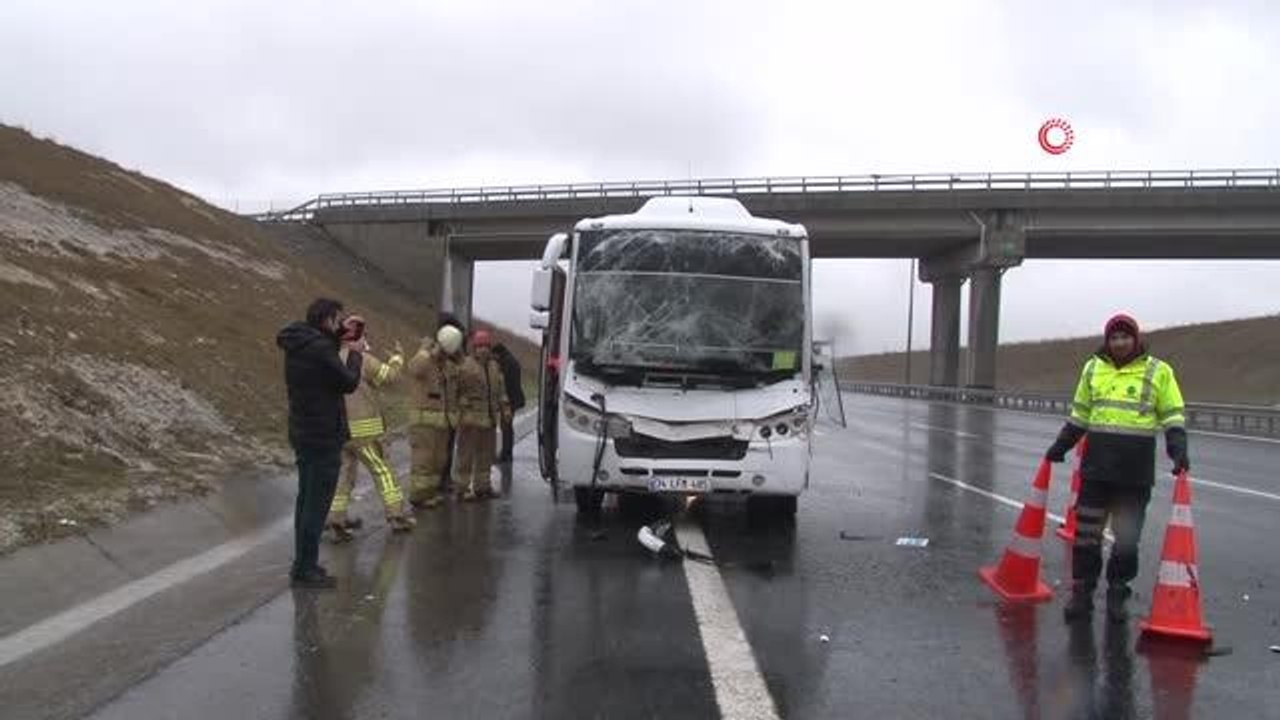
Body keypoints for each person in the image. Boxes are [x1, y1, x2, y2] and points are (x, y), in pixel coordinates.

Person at [1045, 314, 1189, 623]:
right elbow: (1080, 414)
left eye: (1125, 337)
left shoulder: (1158, 371)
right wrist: (1061, 446)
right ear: (1107, 341)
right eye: (1114, 337)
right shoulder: (1093, 368)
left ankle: (1117, 594)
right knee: (1086, 537)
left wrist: (1178, 452)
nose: (1120, 342)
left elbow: (1173, 415)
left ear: (1135, 339)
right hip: (1096, 470)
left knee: (1126, 540)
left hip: (1134, 475)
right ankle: (1082, 593)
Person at [277, 298, 364, 589]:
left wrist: (338, 338)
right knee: (316, 504)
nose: (341, 325)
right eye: (338, 320)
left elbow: (324, 362)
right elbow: (348, 381)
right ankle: (306, 569)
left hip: (303, 431)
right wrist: (355, 353)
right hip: (324, 434)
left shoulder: (300, 343)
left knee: (305, 499)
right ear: (327, 320)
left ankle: (302, 563)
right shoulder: (320, 350)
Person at [324, 316, 416, 538]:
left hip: (338, 430)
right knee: (382, 470)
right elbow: (390, 377)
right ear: (355, 338)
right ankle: (397, 515)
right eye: (364, 336)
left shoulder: (329, 358)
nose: (366, 341)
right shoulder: (362, 359)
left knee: (344, 474)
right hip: (365, 431)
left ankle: (336, 518)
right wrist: (397, 358)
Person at [406, 324, 463, 510]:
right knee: (424, 460)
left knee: (438, 460)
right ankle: (418, 496)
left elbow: (459, 376)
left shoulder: (445, 366)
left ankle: (429, 493)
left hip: (441, 425)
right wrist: (424, 350)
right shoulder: (424, 361)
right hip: (423, 424)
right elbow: (414, 368)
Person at [455, 329, 511, 501]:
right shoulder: (465, 366)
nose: (483, 350)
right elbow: (456, 390)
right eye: (480, 347)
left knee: (486, 456)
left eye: (486, 346)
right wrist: (463, 407)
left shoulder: (495, 367)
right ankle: (462, 488)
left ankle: (482, 486)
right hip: (470, 420)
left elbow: (501, 391)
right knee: (465, 455)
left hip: (489, 420)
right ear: (474, 348)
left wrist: (505, 409)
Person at [491, 342, 526, 463]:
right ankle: (507, 453)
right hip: (513, 400)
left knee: (506, 427)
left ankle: (505, 454)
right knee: (507, 427)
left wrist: (507, 403)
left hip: (509, 401)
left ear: (497, 354)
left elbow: (507, 384)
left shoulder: (507, 363)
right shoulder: (511, 360)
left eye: (494, 355)